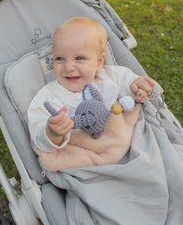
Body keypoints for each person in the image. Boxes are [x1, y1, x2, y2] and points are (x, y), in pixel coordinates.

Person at [28, 16, 157, 155]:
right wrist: (52, 133)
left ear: (99, 62)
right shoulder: (48, 98)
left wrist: (138, 86)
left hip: (126, 143)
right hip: (84, 155)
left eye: (79, 58)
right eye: (60, 59)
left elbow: (135, 91)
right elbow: (38, 136)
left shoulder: (111, 76)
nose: (68, 67)